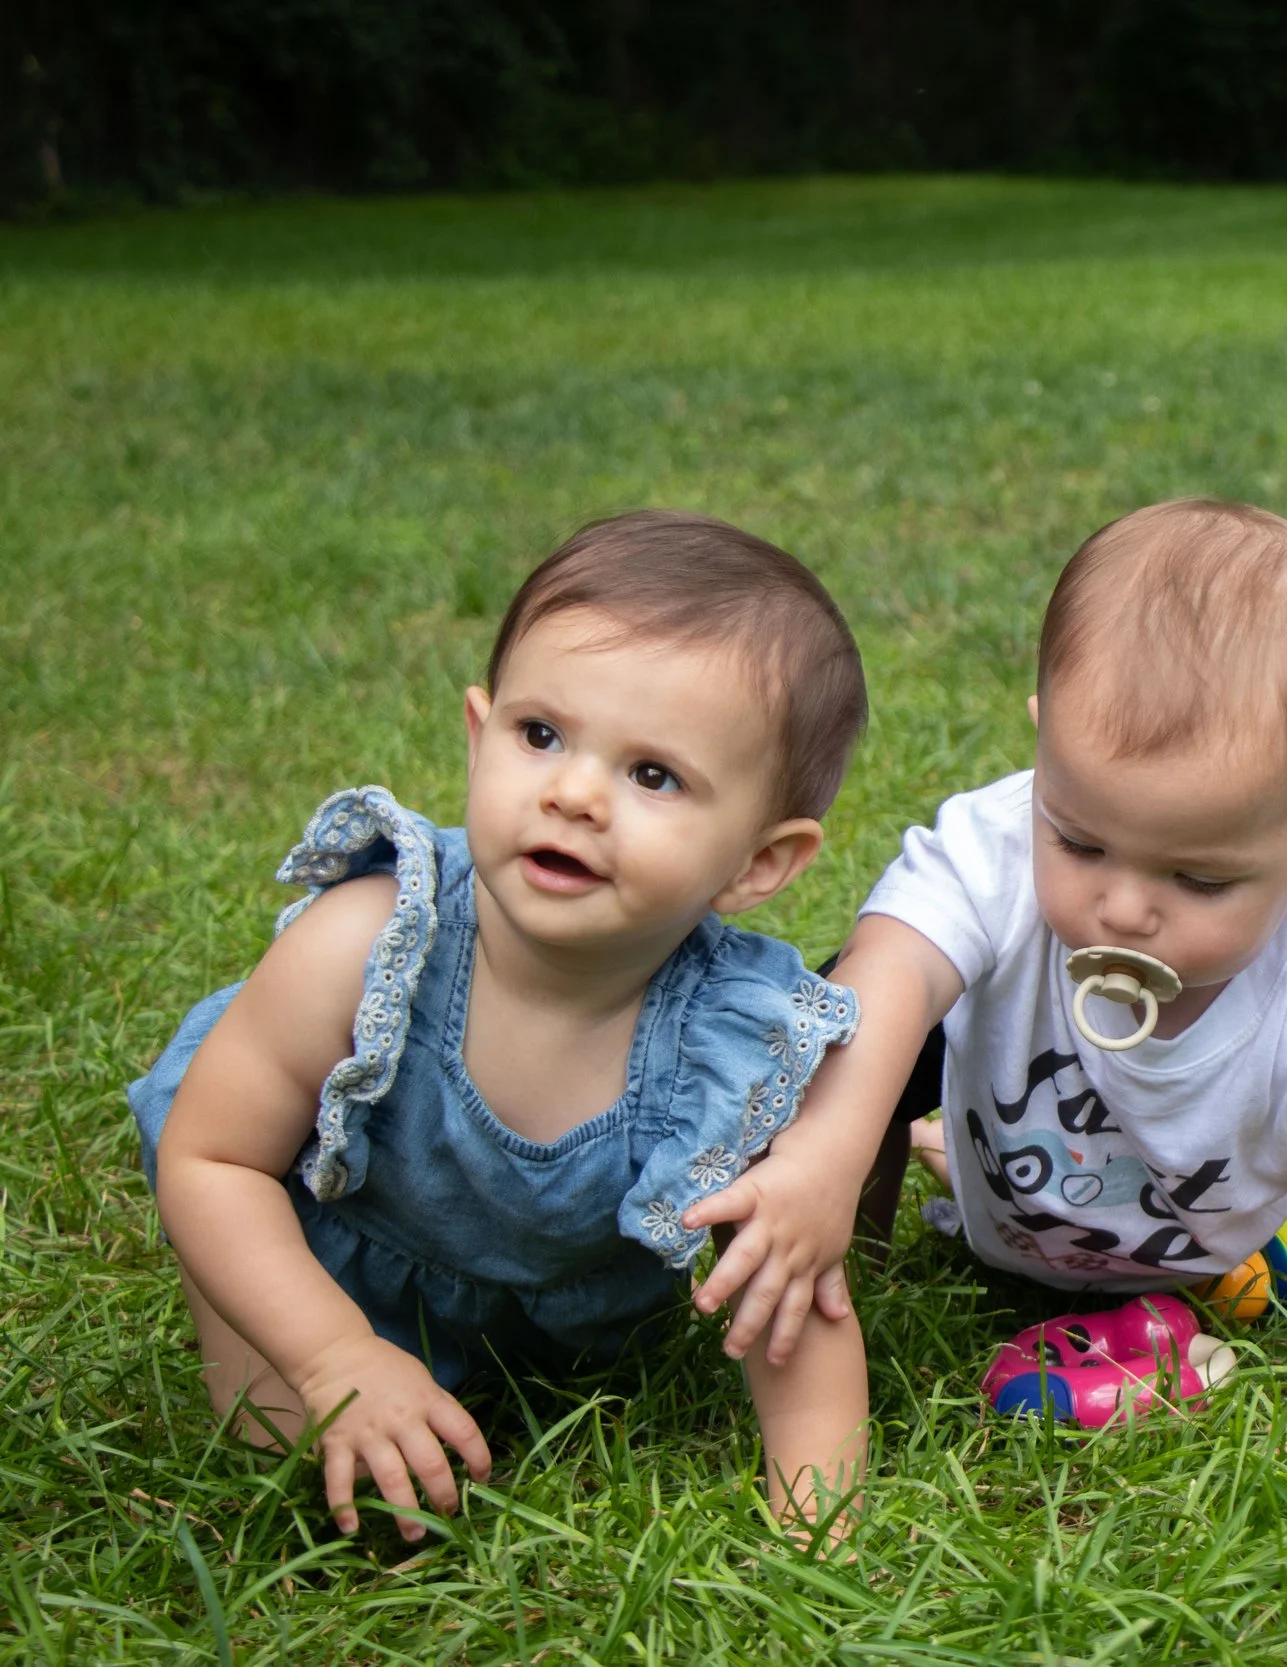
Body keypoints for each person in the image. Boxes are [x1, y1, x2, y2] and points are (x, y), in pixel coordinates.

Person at [129, 511, 872, 1538]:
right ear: (480, 736)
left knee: (539, 1413)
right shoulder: (370, 942)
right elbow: (210, 1157)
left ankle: (484, 1354)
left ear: (759, 863)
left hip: (552, 1300)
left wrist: (819, 1523)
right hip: (317, 1238)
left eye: (652, 774)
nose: (572, 793)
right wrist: (333, 1353)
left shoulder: (731, 1043)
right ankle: (310, 1348)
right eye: (541, 734)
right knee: (299, 1466)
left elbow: (790, 1283)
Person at [685, 498, 1287, 1425]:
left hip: (1192, 1255)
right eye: (1079, 842)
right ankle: (854, 1250)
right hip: (1005, 1185)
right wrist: (823, 1156)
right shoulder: (996, 849)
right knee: (854, 1015)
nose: (1121, 907)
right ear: (1044, 750)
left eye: (1200, 878)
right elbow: (887, 972)